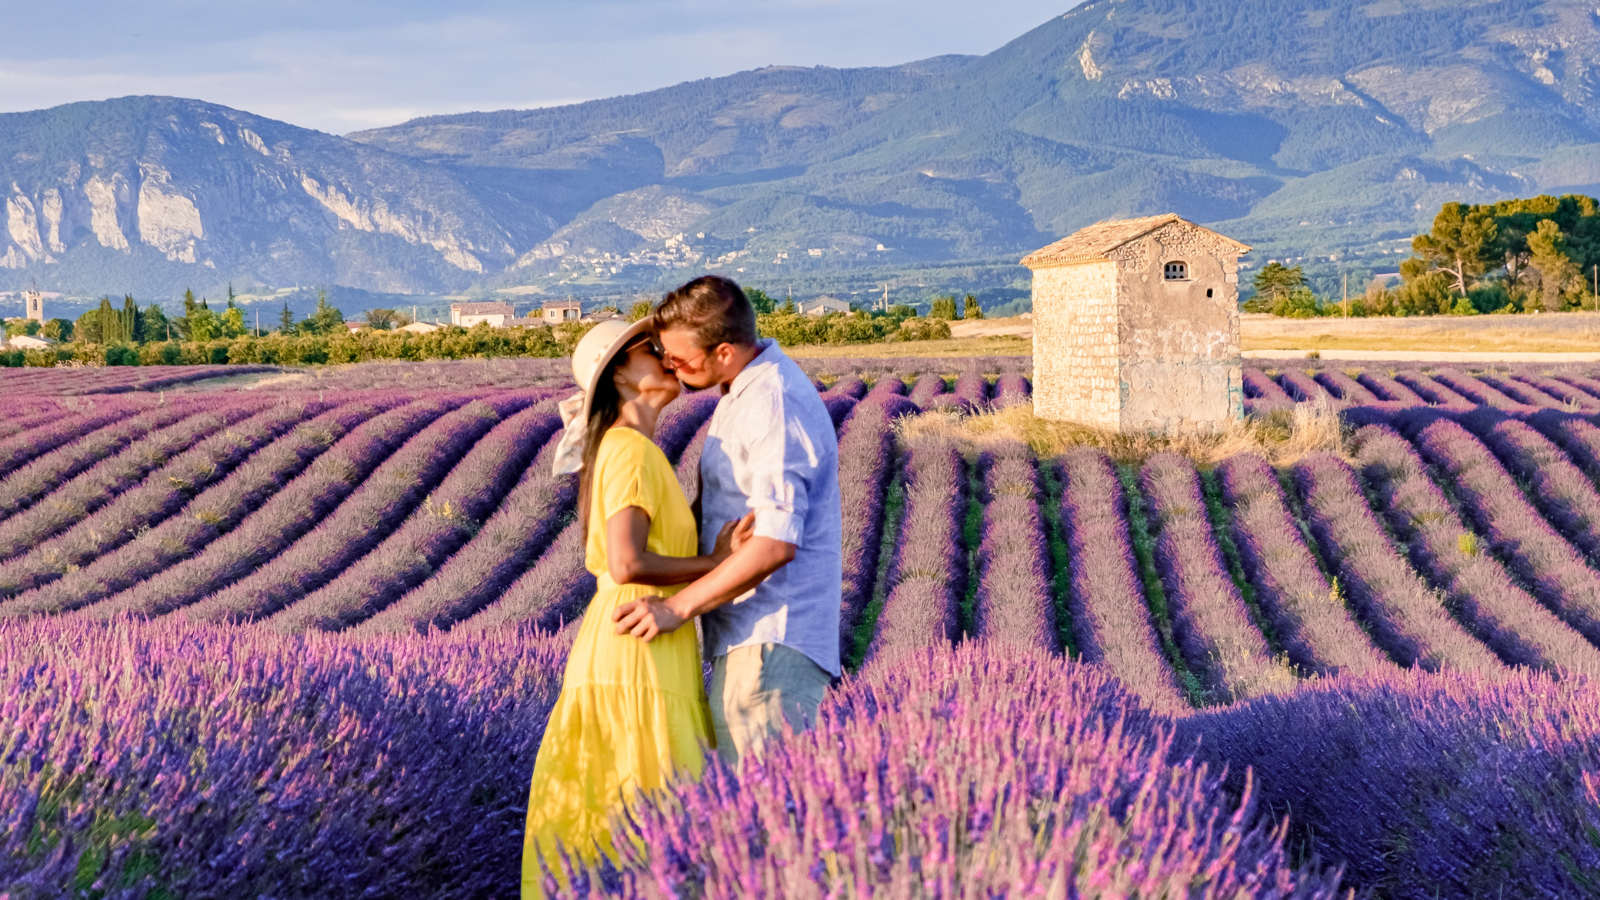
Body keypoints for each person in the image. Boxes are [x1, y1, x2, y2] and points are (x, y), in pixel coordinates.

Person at [521, 316, 751, 897]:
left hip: (647, 641)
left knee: (637, 817)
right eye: (652, 350)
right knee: (642, 808)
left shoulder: (637, 450)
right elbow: (625, 562)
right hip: (635, 643)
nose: (668, 357)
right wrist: (718, 562)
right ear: (620, 372)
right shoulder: (627, 448)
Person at [612, 275, 842, 762]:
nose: (670, 366)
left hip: (772, 642)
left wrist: (675, 609)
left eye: (680, 358)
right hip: (747, 641)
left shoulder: (771, 404)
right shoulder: (740, 392)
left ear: (722, 352)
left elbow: (775, 543)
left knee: (763, 818)